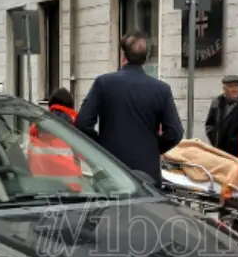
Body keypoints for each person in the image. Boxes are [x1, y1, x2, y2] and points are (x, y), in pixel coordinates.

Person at [75, 31, 184, 185]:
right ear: (146, 59)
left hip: (110, 169)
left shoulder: (103, 83)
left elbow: (82, 122)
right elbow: (175, 132)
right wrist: (153, 149)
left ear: (123, 57)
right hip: (148, 174)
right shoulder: (161, 89)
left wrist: (100, 147)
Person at [28, 88, 82, 191]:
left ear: (51, 105)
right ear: (70, 105)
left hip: (40, 187)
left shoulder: (38, 126)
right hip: (70, 188)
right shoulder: (76, 126)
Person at [204, 75, 238, 157]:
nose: (234, 89)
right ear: (224, 89)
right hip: (220, 149)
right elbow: (210, 124)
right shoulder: (218, 101)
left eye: (236, 86)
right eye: (230, 86)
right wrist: (214, 140)